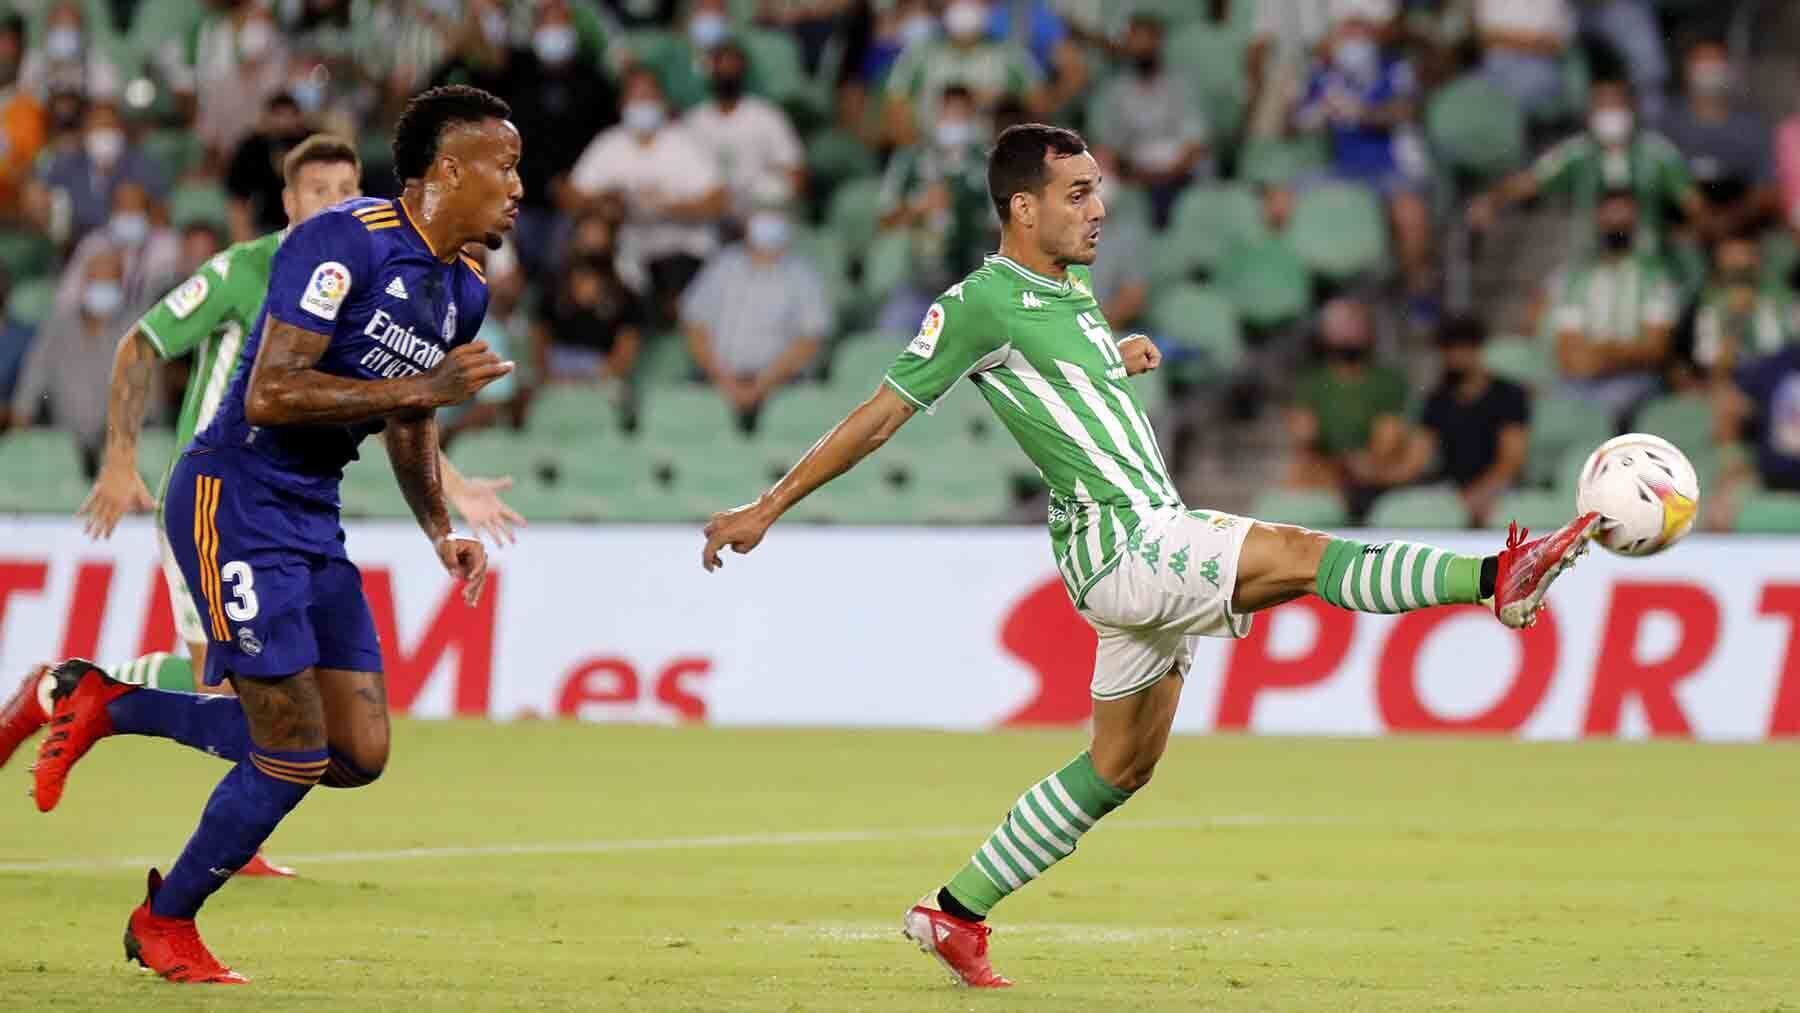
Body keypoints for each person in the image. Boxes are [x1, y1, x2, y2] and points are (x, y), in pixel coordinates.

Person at [699, 123, 1599, 988]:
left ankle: (955, 912)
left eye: (1099, 189)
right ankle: (1495, 578)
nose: (1099, 208)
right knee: (1296, 552)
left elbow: (1057, 385)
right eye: (1078, 192)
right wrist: (768, 506)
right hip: (1122, 538)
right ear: (1022, 207)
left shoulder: (1070, 292)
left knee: (1121, 765)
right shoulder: (977, 304)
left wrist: (1113, 361)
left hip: (1140, 537)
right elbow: (882, 411)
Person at [22, 85, 520, 984]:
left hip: (310, 509)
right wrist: (420, 390)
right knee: (289, 749)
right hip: (234, 491)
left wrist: (440, 529)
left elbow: (411, 422)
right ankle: (164, 918)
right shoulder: (338, 243)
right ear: (449, 169)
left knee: (356, 753)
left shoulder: (465, 288)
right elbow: (270, 392)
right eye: (506, 166)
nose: (519, 187)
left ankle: (108, 700)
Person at [1468, 77, 1708, 254]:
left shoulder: (1657, 152)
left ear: (1632, 108)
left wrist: (1682, 237)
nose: (1610, 113)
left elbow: (1694, 206)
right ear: (1590, 112)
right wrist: (1492, 199)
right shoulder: (1577, 153)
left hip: (1650, 263)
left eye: (1616, 104)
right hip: (1590, 262)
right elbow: (1531, 181)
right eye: (1603, 105)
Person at [568, 68, 726, 325]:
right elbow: (573, 196)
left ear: (662, 102)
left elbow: (718, 201)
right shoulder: (608, 144)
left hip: (682, 247)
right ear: (622, 104)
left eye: (649, 96)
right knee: (589, 237)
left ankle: (664, 318)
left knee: (674, 298)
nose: (642, 104)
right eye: (636, 97)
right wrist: (608, 203)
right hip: (629, 250)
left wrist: (667, 208)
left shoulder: (684, 143)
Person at [681, 202, 831, 429]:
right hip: (716, 381)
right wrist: (724, 381)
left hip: (780, 387)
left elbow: (810, 340)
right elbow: (694, 325)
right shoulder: (723, 264)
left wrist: (762, 385)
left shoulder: (804, 275)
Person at [1545, 190, 1680, 418]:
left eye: (1625, 216)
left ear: (1636, 222)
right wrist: (1606, 354)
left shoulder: (1655, 276)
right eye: (1611, 215)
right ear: (1598, 219)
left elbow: (1656, 349)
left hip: (1634, 378)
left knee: (1603, 408)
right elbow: (1566, 347)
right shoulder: (1576, 277)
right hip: (1579, 379)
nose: (1617, 222)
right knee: (1552, 410)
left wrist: (1603, 356)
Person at [1283, 297, 1414, 512]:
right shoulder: (1311, 382)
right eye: (1342, 325)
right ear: (1326, 332)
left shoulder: (1388, 381)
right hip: (1328, 471)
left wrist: (1364, 464)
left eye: (1355, 323)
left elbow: (1388, 438)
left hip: (1375, 470)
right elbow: (1303, 435)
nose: (1349, 332)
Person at [1088, 13, 1209, 230]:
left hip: (1177, 168)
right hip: (1133, 168)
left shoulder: (1180, 85)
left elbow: (1195, 144)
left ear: (1158, 43)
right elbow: (1106, 147)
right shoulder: (1115, 90)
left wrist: (1168, 174)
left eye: (1147, 41)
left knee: (1206, 173)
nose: (1142, 49)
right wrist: (1133, 172)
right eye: (1136, 42)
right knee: (1099, 186)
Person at [1414, 316, 1531, 527]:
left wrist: (1480, 494)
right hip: (1451, 490)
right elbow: (1418, 456)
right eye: (1448, 350)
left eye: (1460, 349)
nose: (1454, 358)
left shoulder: (1509, 395)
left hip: (1501, 488)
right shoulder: (1437, 399)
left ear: (1477, 350)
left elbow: (1512, 459)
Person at [681, 39, 807, 227]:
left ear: (743, 70)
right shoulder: (693, 121)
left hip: (757, 213)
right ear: (711, 71)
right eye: (721, 65)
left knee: (772, 188)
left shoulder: (767, 116)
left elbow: (796, 175)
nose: (727, 73)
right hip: (708, 215)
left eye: (732, 66)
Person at [1661, 40, 1778, 238]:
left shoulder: (1753, 127)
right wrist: (1699, 222)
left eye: (1716, 64)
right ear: (1687, 69)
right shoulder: (1665, 126)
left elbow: (1766, 190)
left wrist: (1730, 222)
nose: (1709, 72)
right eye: (1703, 64)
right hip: (1681, 227)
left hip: (1742, 226)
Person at [1686, 235, 1792, 380]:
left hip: (1782, 381)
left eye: (1746, 256)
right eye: (1732, 259)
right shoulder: (1710, 305)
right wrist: (1736, 319)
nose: (1739, 263)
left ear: (1757, 259)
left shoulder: (1781, 298)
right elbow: (1715, 372)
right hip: (1736, 384)